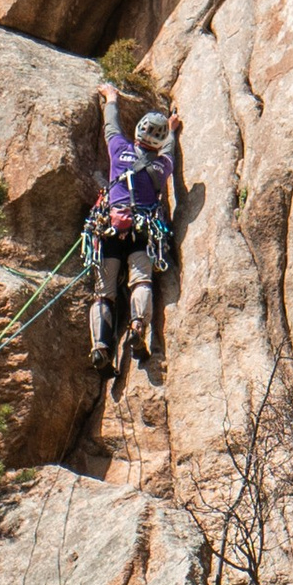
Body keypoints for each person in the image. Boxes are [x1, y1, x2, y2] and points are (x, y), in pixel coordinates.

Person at [85, 86, 182, 377]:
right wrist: (172, 130)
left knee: (103, 294)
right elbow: (167, 150)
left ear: (138, 131)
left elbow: (111, 124)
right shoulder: (161, 166)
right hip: (143, 233)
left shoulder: (118, 149)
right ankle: (138, 327)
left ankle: (101, 347)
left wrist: (111, 98)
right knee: (141, 281)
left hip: (109, 231)